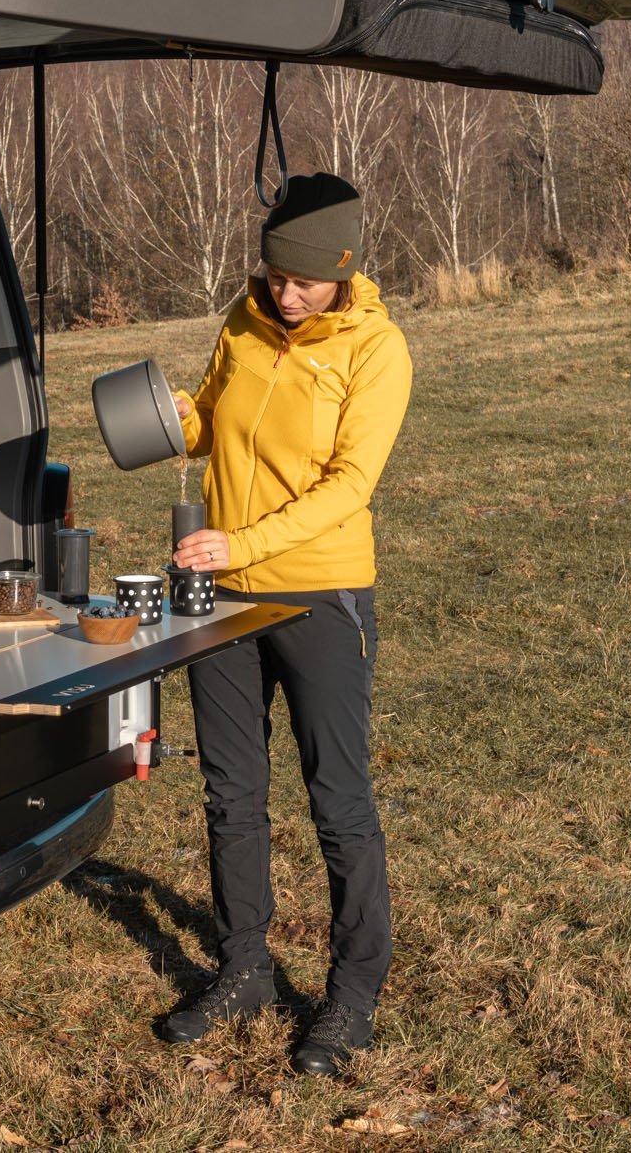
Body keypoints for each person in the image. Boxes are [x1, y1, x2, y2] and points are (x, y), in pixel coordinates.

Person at [162, 172, 413, 1077]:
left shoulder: (375, 350)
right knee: (230, 793)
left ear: (342, 272)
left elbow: (350, 485)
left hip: (319, 592)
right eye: (275, 276)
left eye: (303, 281)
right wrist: (171, 413)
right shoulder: (244, 319)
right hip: (223, 594)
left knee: (337, 799)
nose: (285, 294)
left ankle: (354, 993)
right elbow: (209, 421)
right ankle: (243, 967)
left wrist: (244, 543)